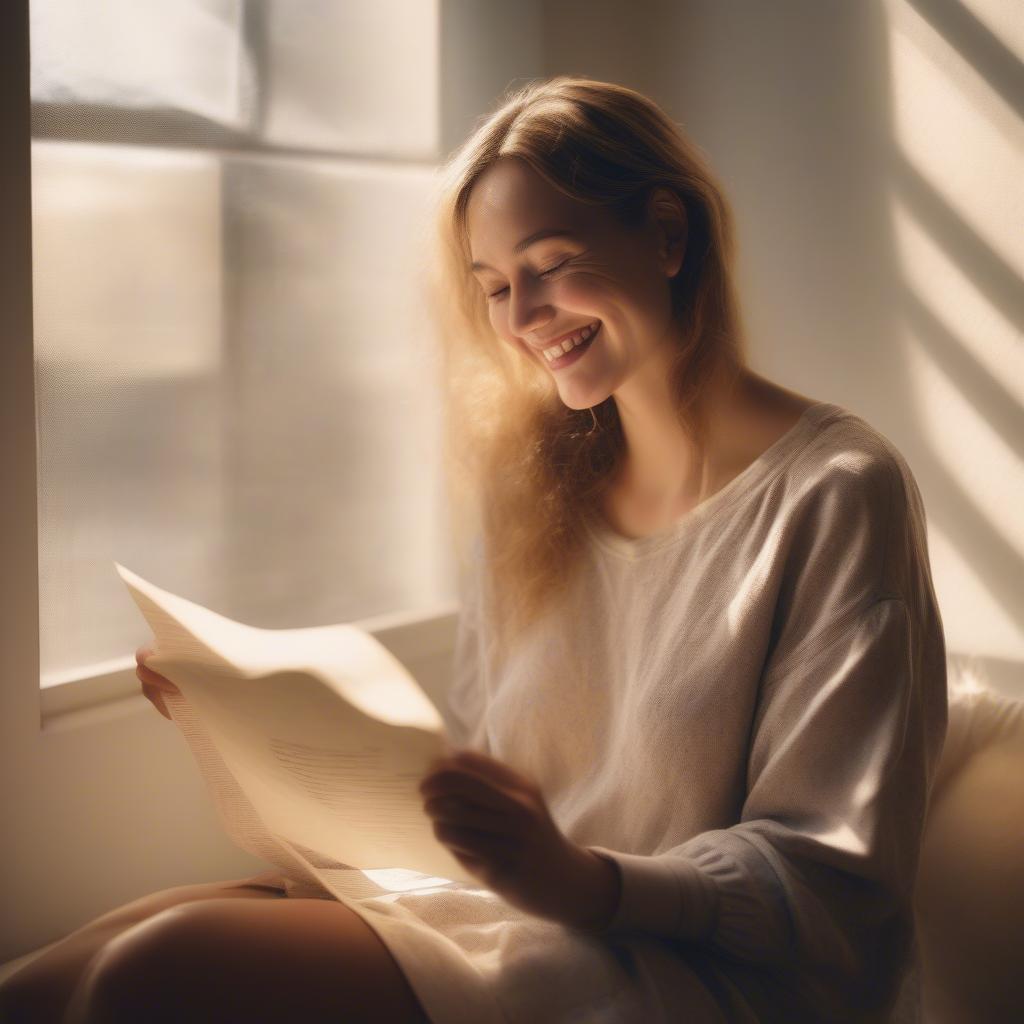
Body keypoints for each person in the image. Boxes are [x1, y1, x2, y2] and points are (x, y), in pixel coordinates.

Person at [0, 75, 948, 1023]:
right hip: (521, 918)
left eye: (552, 261)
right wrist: (247, 735)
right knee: (58, 971)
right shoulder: (535, 495)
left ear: (668, 234)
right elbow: (479, 799)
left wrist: (585, 881)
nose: (522, 316)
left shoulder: (836, 492)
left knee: (161, 968)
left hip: (691, 971)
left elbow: (830, 880)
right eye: (494, 287)